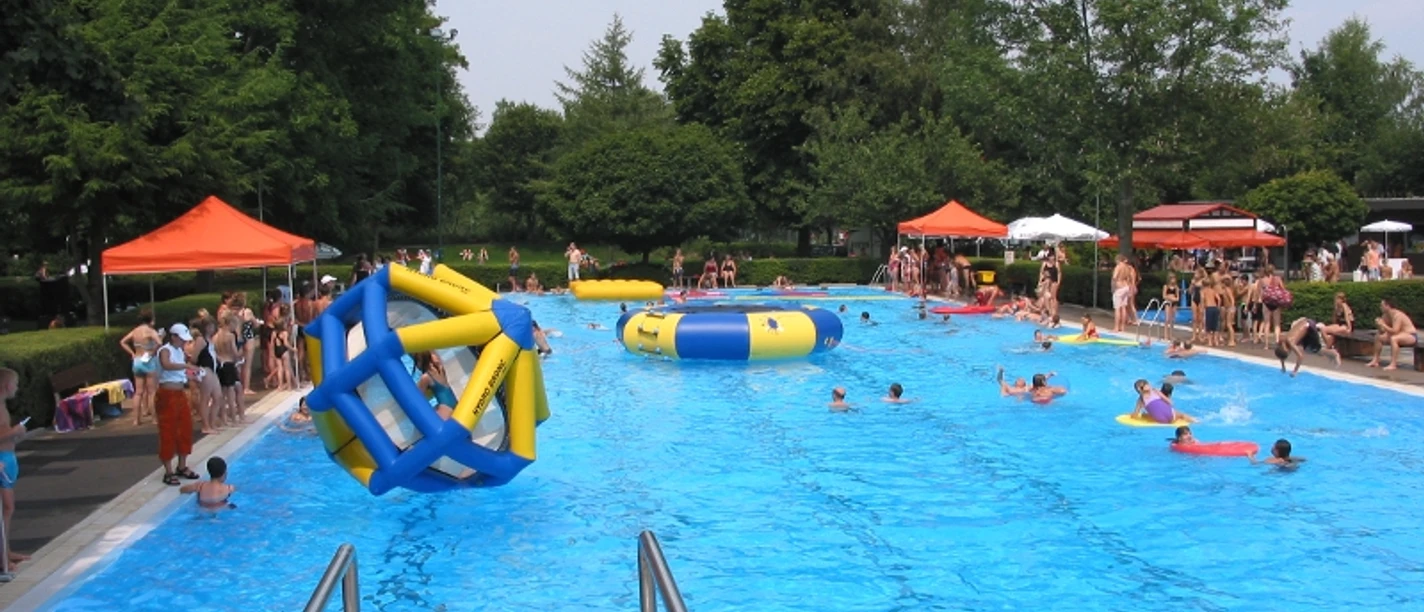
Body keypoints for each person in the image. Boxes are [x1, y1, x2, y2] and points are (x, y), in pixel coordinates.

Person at [156, 324, 200, 486]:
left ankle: (182, 465)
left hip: (180, 393)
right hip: (167, 395)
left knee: (185, 428)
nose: (183, 343)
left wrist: (193, 373)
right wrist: (185, 366)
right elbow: (166, 364)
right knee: (168, 430)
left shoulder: (180, 352)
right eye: (181, 340)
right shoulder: (165, 350)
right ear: (173, 337)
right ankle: (168, 471)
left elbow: (180, 372)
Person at [0, 368, 32, 566]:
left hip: (7, 457)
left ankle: (6, 551)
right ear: (6, 385)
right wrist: (15, 431)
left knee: (8, 508)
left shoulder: (2, 406)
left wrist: (16, 435)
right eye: (16, 384)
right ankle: (2, 557)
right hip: (2, 460)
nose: (17, 389)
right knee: (6, 508)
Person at [119, 310, 162, 426]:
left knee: (138, 392)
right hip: (148, 360)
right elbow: (159, 342)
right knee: (152, 392)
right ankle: (154, 419)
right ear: (150, 319)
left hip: (137, 360)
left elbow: (123, 342)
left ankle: (136, 420)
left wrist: (132, 353)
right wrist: (153, 351)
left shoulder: (135, 331)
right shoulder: (150, 331)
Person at [1277, 317, 1342, 376]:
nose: (1290, 352)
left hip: (1310, 327)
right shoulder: (1281, 340)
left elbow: (1300, 356)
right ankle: (1330, 354)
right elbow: (1281, 355)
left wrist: (1295, 371)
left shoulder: (1291, 342)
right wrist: (1283, 366)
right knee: (1311, 350)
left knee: (1312, 350)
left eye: (1288, 353)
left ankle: (1334, 354)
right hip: (1304, 325)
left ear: (1287, 351)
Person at [1366, 298, 1418, 370]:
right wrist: (1379, 325)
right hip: (1398, 334)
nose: (1380, 307)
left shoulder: (1398, 315)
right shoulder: (1385, 315)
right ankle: (1375, 360)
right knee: (1378, 336)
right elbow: (1382, 331)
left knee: (1394, 339)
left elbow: (1395, 331)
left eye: (1382, 305)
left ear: (1388, 306)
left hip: (1410, 336)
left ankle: (1393, 364)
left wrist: (1383, 325)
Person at [1130, 378, 1196, 423]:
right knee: (1182, 415)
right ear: (1148, 385)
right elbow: (1170, 402)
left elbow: (1136, 414)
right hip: (1171, 417)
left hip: (1160, 420)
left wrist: (1131, 416)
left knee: (1145, 414)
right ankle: (1196, 421)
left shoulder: (1140, 400)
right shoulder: (1155, 391)